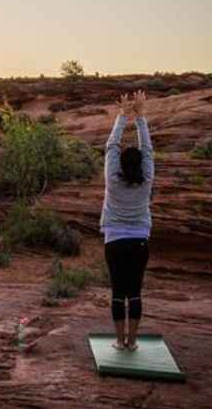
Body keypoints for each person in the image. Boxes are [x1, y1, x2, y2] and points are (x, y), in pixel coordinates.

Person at [101, 90, 154, 351]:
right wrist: (141, 116)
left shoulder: (112, 179)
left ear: (120, 165)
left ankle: (120, 343)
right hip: (139, 242)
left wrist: (123, 116)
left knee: (117, 293)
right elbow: (149, 150)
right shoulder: (146, 180)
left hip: (114, 242)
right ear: (142, 165)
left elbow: (111, 145)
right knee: (135, 292)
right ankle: (132, 342)